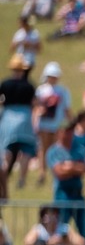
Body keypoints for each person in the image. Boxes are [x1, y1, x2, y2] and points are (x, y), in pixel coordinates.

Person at [0, 56, 36, 202]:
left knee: (8, 149)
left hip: (8, 117)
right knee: (26, 150)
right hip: (25, 117)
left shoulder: (5, 84)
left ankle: (5, 172)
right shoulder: (29, 86)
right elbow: (34, 103)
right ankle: (22, 178)